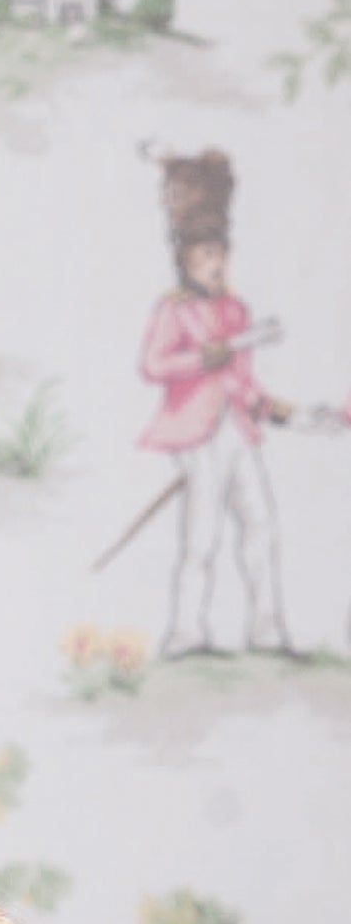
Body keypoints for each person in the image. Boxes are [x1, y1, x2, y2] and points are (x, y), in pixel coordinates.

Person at [137, 151, 295, 658]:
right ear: (185, 261)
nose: (217, 263)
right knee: (201, 536)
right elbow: (153, 366)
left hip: (236, 429)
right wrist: (201, 359)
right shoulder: (173, 309)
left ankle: (268, 633)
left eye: (220, 254)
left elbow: (240, 379)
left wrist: (266, 405)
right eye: (206, 256)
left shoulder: (236, 310)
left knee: (260, 524)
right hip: (196, 433)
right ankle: (186, 635)